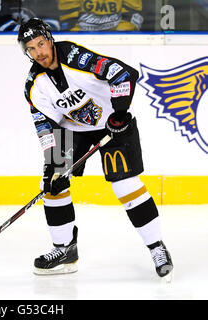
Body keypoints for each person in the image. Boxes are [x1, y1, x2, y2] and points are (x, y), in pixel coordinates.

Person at [17, 18, 173, 279]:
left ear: (50, 39)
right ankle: (64, 249)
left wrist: (121, 112)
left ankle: (157, 246)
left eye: (41, 44)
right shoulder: (33, 84)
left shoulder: (76, 57)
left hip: (115, 123)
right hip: (72, 131)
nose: (39, 53)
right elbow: (44, 125)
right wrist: (51, 162)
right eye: (31, 49)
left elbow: (123, 73)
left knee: (125, 185)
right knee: (53, 185)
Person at [58, 0, 144, 31]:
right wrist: (79, 34)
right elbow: (68, 18)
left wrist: (119, 34)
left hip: (116, 35)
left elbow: (132, 14)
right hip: (83, 36)